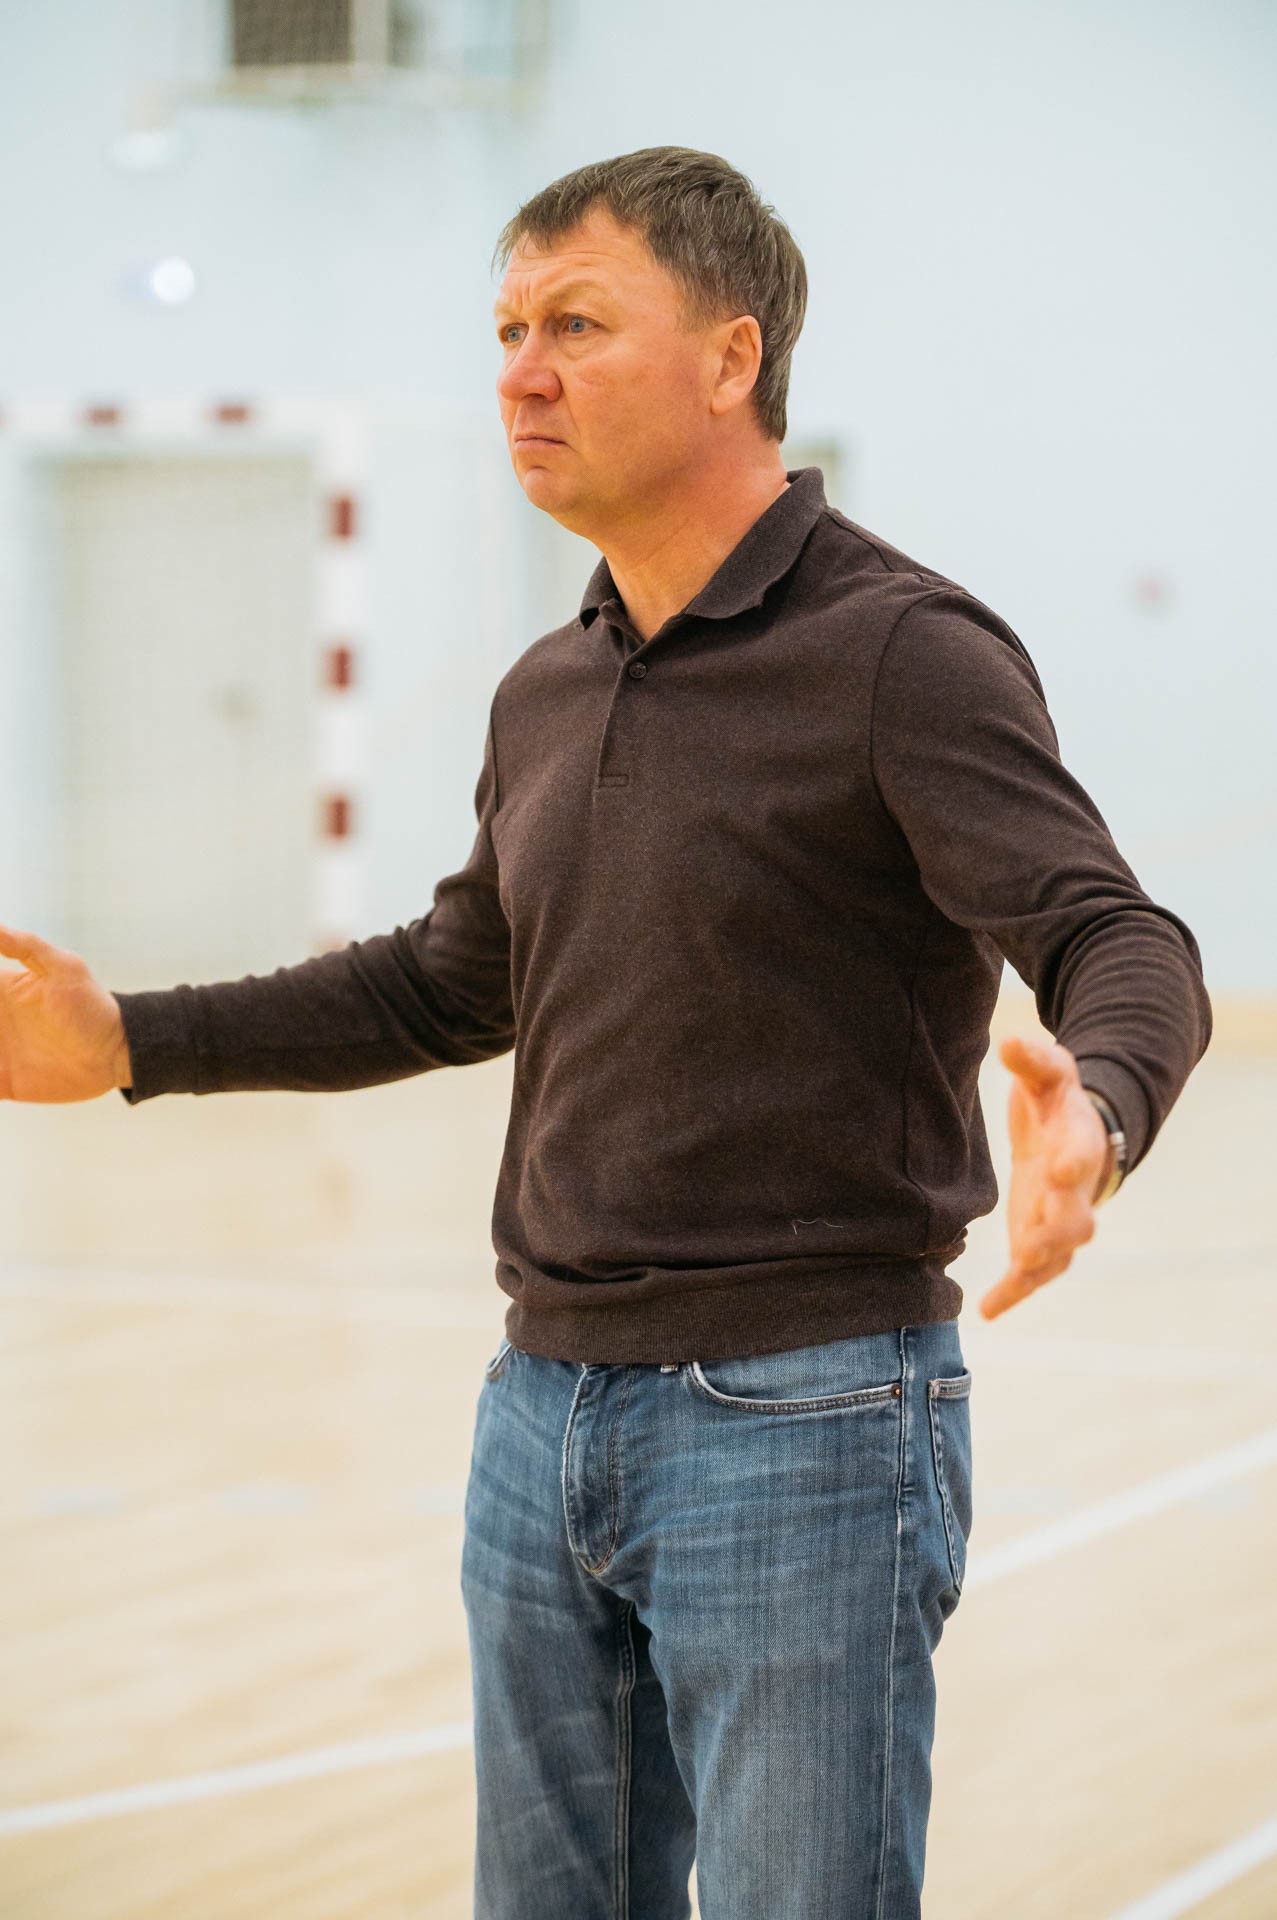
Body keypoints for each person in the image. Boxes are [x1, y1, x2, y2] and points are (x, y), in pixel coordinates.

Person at [0, 145, 1211, 1918]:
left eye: (574, 325)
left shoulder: (901, 651)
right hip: (540, 1410)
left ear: (730, 356)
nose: (521, 374)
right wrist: (129, 1041)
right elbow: (451, 979)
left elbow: (1116, 933)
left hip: (805, 1420)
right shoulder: (548, 687)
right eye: (506, 332)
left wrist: (1096, 1109)